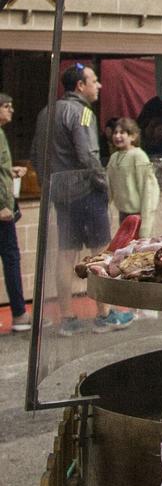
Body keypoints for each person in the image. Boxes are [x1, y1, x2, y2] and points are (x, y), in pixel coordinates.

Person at [32, 63, 111, 332]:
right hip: (86, 193)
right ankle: (104, 314)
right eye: (94, 80)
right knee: (100, 253)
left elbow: (35, 154)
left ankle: (66, 317)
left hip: (60, 196)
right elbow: (87, 155)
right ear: (80, 86)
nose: (98, 85)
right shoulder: (83, 113)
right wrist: (104, 183)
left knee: (66, 256)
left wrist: (48, 187)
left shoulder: (46, 112)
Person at [106, 116, 160, 242]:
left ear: (133, 136)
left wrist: (145, 227)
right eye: (115, 132)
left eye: (122, 132)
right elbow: (109, 187)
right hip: (123, 213)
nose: (117, 136)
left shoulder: (139, 156)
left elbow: (148, 190)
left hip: (138, 215)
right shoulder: (114, 158)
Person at [0, 94, 27, 334]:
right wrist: (1, 206)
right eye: (7, 107)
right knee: (11, 259)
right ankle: (19, 313)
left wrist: (10, 171)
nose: (11, 111)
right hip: (2, 212)